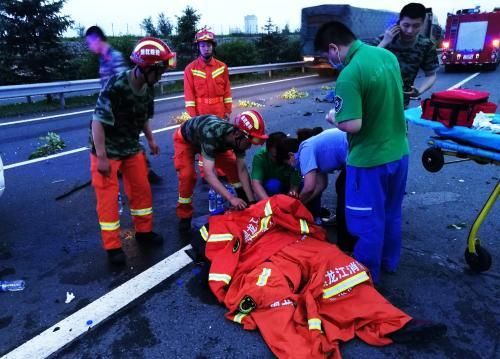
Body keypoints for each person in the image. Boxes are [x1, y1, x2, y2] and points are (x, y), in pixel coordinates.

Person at [315, 21, 409, 284]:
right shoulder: (387, 56)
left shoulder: (349, 74)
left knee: (367, 222)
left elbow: (352, 124)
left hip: (369, 160)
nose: (329, 61)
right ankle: (390, 262)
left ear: (334, 48)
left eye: (327, 56)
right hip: (399, 153)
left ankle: (367, 279)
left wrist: (335, 117)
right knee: (391, 212)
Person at [90, 37, 176, 265]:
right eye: (160, 71)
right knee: (108, 199)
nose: (161, 76)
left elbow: (144, 117)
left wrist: (151, 140)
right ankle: (113, 247)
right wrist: (101, 158)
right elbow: (97, 122)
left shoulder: (148, 89)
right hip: (107, 148)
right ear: (147, 67)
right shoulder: (117, 85)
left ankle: (144, 232)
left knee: (141, 189)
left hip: (130, 146)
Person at [85, 26, 163, 183]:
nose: (89, 47)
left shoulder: (114, 57)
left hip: (121, 111)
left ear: (97, 40)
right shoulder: (103, 59)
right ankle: (127, 166)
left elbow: (128, 91)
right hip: (110, 109)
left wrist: (150, 139)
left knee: (130, 137)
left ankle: (144, 169)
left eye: (90, 42)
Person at [173, 110, 267, 232]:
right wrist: (231, 198)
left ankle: (244, 202)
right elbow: (208, 174)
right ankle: (184, 215)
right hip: (186, 141)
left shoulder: (238, 139)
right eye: (250, 142)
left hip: (215, 144)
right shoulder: (212, 133)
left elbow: (242, 170)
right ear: (237, 135)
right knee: (187, 176)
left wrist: (252, 202)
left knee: (233, 168)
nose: (250, 147)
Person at [276, 128, 357, 252]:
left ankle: (346, 246)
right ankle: (344, 224)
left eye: (288, 163)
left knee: (344, 198)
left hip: (356, 150)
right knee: (340, 185)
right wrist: (302, 204)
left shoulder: (305, 150)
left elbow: (309, 187)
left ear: (291, 155)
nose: (292, 167)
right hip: (352, 148)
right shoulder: (309, 148)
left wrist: (293, 207)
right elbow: (321, 185)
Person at [184, 29, 233, 178]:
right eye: (203, 45)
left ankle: (223, 169)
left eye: (209, 45)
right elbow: (189, 96)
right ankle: (206, 173)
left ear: (213, 46)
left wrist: (228, 110)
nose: (207, 48)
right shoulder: (190, 69)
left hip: (219, 109)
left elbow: (227, 91)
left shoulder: (222, 67)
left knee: (221, 139)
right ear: (198, 47)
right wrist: (194, 118)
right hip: (201, 111)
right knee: (203, 142)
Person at [371, 3, 438, 108]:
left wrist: (419, 91)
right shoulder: (383, 39)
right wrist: (384, 42)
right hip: (374, 99)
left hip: (401, 103)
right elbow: (364, 62)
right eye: (406, 25)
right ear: (399, 22)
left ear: (423, 24)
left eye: (416, 26)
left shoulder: (426, 45)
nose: (410, 30)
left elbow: (431, 75)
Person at [251, 132, 301, 200]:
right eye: (275, 156)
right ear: (267, 152)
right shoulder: (260, 157)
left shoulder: (291, 155)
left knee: (308, 184)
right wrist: (269, 204)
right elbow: (256, 183)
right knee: (273, 185)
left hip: (288, 186)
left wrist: (292, 194)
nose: (279, 158)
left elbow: (295, 182)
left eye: (281, 155)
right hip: (272, 189)